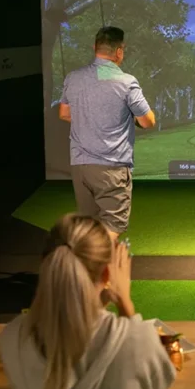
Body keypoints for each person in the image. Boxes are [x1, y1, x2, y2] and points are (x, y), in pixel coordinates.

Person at [0, 214, 176, 389]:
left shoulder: (13, 337)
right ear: (107, 276)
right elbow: (158, 381)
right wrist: (125, 302)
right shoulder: (135, 341)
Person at [59, 27, 156, 237]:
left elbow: (64, 114)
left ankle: (88, 267)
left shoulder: (73, 77)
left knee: (89, 227)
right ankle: (90, 266)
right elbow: (148, 121)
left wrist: (89, 120)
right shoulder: (126, 82)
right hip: (111, 167)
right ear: (119, 51)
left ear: (95, 48)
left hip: (80, 167)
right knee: (113, 225)